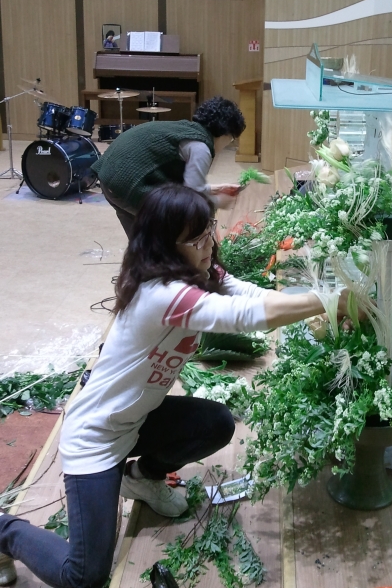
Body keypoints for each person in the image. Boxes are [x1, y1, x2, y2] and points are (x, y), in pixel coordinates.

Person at [0, 184, 348, 588]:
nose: (209, 244)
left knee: (216, 423)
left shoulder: (203, 273)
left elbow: (250, 295)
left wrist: (318, 300)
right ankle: (5, 531)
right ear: (164, 246)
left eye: (209, 230)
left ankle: (140, 478)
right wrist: (331, 301)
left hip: (135, 422)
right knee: (84, 577)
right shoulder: (161, 293)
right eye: (196, 239)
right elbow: (246, 315)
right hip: (96, 438)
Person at [92, 96, 246, 237]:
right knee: (185, 218)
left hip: (109, 177)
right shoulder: (201, 148)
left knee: (140, 242)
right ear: (225, 133)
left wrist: (213, 189)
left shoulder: (185, 128)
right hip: (127, 183)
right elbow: (193, 195)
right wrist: (218, 201)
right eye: (232, 139)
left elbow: (190, 185)